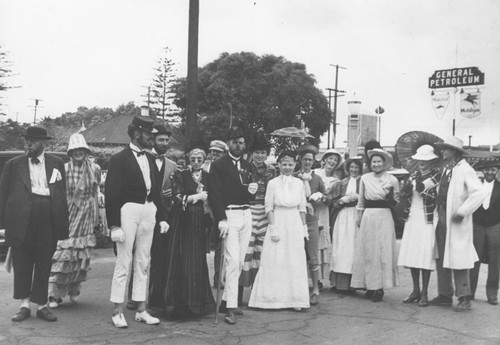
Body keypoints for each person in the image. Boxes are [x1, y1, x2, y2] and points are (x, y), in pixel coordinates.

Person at [0, 126, 69, 322]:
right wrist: (3, 225)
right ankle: (23, 305)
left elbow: (61, 194)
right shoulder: (14, 164)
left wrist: (62, 223)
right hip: (22, 218)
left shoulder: (56, 163)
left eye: (33, 141)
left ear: (43, 143)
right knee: (22, 262)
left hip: (48, 218)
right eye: (27, 140)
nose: (28, 144)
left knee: (44, 262)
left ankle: (42, 305)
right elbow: (3, 195)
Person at [105, 116, 168, 328]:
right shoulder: (119, 159)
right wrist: (114, 224)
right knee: (124, 261)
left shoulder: (150, 159)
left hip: (148, 210)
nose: (152, 137)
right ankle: (117, 310)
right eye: (149, 134)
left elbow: (157, 192)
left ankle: (141, 309)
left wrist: (162, 217)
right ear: (136, 134)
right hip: (128, 211)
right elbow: (111, 193)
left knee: (143, 261)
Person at [150, 147, 215, 319]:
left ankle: (196, 304)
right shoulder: (180, 175)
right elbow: (175, 196)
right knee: (181, 258)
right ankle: (178, 304)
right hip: (182, 220)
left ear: (204, 159)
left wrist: (207, 201)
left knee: (196, 258)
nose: (195, 161)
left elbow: (214, 197)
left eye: (199, 159)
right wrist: (194, 197)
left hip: (199, 222)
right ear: (188, 159)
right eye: (193, 158)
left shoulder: (208, 177)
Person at [208, 127, 258, 325]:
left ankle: (229, 300)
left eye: (242, 142)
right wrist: (221, 217)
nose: (239, 145)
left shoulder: (247, 164)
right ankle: (229, 308)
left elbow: (248, 190)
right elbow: (214, 194)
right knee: (233, 261)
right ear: (228, 143)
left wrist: (252, 192)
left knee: (240, 260)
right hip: (229, 214)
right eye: (235, 142)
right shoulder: (219, 165)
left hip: (247, 213)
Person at [248, 150, 310, 310]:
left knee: (294, 259)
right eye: (284, 164)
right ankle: (270, 299)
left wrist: (304, 227)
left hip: (294, 222)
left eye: (290, 164)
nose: (287, 167)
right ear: (279, 165)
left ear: (295, 165)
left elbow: (302, 207)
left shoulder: (299, 183)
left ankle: (295, 300)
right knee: (275, 258)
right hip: (278, 221)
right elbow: (269, 206)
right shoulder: (273, 183)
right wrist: (273, 227)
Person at [429, 136, 484, 312]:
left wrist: (462, 211)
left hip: (456, 219)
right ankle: (445, 294)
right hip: (442, 216)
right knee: (442, 256)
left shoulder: (465, 169)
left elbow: (479, 193)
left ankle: (464, 297)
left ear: (454, 151)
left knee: (459, 258)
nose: (442, 151)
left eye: (445, 149)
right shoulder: (447, 169)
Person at [48, 133, 101, 308]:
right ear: (70, 152)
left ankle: (74, 290)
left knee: (80, 255)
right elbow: (56, 193)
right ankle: (53, 295)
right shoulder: (63, 169)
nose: (79, 152)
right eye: (75, 150)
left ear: (86, 151)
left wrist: (97, 215)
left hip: (87, 213)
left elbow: (95, 190)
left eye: (82, 149)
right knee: (64, 254)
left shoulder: (95, 168)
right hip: (69, 212)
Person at [351, 148, 400, 302]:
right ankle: (370, 286)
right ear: (370, 163)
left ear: (384, 163)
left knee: (382, 251)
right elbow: (361, 201)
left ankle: (380, 287)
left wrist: (390, 198)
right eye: (374, 162)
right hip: (368, 217)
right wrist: (359, 217)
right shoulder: (365, 178)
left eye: (379, 162)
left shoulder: (392, 180)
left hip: (384, 216)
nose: (376, 164)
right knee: (368, 251)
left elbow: (397, 200)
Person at [397, 145, 440, 307]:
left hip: (427, 218)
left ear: (432, 161)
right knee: (413, 255)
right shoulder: (413, 175)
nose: (422, 163)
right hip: (413, 216)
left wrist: (420, 187)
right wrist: (406, 190)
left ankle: (424, 292)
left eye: (426, 160)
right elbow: (405, 196)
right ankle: (415, 290)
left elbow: (433, 198)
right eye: (420, 160)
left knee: (425, 255)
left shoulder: (436, 176)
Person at [148, 123, 178, 312]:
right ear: (152, 141)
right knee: (141, 256)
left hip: (165, 215)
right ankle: (136, 297)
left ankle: (157, 296)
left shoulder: (173, 165)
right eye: (161, 140)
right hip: (146, 211)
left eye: (167, 140)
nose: (164, 143)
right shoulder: (144, 159)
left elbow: (177, 190)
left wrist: (171, 195)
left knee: (160, 258)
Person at [240, 135, 276, 288]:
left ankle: (259, 287)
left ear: (267, 154)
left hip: (266, 211)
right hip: (248, 209)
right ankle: (242, 285)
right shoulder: (244, 168)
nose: (260, 155)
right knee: (246, 249)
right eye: (257, 152)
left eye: (263, 152)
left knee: (261, 250)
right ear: (252, 153)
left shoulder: (272, 170)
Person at [295, 145, 326, 305]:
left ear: (314, 161)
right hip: (294, 220)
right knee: (295, 254)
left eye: (310, 160)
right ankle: (296, 288)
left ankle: (315, 289)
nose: (307, 162)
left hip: (312, 220)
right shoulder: (293, 176)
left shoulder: (317, 178)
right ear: (300, 160)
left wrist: (318, 198)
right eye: (305, 159)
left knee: (313, 254)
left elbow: (327, 197)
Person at [330, 157, 362, 292]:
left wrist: (357, 197)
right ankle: (339, 283)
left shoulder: (364, 182)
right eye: (351, 167)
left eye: (356, 167)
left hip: (357, 215)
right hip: (343, 217)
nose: (353, 170)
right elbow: (333, 202)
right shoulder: (341, 183)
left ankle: (354, 283)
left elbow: (368, 198)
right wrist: (342, 201)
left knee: (353, 248)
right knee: (341, 248)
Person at [470, 159, 500, 305]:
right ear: (483, 171)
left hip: (495, 227)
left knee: (495, 261)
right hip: (477, 226)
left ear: (497, 171)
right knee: (474, 260)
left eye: (493, 170)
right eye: (487, 170)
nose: (489, 172)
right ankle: (469, 292)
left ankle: (492, 294)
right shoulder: (475, 186)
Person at [314, 149, 343, 285]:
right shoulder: (314, 173)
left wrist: (326, 199)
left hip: (324, 211)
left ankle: (319, 278)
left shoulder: (336, 180)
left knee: (322, 240)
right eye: (330, 158)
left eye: (335, 160)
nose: (332, 162)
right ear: (324, 159)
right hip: (311, 209)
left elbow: (333, 198)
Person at [202, 139, 228, 287]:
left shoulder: (226, 168)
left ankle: (218, 277)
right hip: (204, 209)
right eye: (212, 152)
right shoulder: (205, 167)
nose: (214, 155)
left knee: (220, 246)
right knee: (201, 244)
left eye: (217, 152)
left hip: (219, 209)